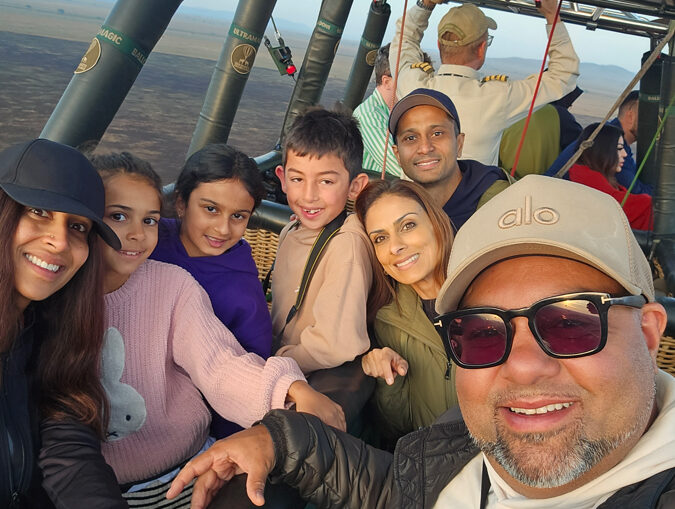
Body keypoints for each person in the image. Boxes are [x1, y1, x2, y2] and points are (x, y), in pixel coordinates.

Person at [167, 175, 674, 509]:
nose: (523, 366)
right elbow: (399, 484)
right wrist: (278, 438)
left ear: (650, 333)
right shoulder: (455, 436)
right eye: (483, 333)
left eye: (570, 324)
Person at [91, 151, 345, 507]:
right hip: (88, 475)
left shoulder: (181, 287)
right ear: (179, 205)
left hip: (181, 465)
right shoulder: (61, 293)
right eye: (118, 216)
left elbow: (223, 364)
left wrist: (289, 390)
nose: (136, 234)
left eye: (148, 220)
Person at [0, 139, 126, 508]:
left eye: (78, 227)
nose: (58, 242)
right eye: (39, 211)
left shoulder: (52, 335)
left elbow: (69, 456)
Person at [149, 144, 272, 438]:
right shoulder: (146, 239)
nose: (222, 229)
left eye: (238, 216)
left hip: (184, 427)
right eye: (211, 209)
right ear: (180, 203)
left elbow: (248, 375)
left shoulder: (244, 295)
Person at [390, 0, 579, 166]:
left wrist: (425, 4)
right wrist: (552, 15)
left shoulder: (413, 86)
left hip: (414, 202)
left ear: (439, 45)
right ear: (482, 49)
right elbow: (564, 74)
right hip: (473, 206)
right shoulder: (497, 96)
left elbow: (403, 44)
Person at [354, 179, 458, 443]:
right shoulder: (388, 321)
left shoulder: (490, 293)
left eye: (408, 225)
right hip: (439, 469)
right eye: (380, 238)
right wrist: (388, 379)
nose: (395, 246)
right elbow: (400, 429)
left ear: (436, 222)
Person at [271, 108, 372, 374]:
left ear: (354, 185)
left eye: (326, 181)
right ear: (282, 178)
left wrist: (274, 364)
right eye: (297, 179)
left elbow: (336, 344)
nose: (308, 195)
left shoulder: (346, 244)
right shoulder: (291, 230)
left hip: (306, 376)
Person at [389, 88, 510, 230]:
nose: (425, 148)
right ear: (397, 154)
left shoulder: (501, 203)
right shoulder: (397, 209)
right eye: (411, 138)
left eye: (437, 133)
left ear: (459, 144)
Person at [568, 122, 652, 230]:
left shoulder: (586, 174)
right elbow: (616, 204)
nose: (625, 154)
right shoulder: (586, 178)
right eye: (619, 148)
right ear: (602, 150)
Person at [499, 86, 583, 178]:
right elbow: (580, 148)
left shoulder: (513, 109)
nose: (569, 107)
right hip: (541, 183)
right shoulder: (560, 115)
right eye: (569, 103)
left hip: (504, 178)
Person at [353, 44, 405, 178]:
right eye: (407, 78)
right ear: (387, 82)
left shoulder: (399, 114)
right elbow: (399, 169)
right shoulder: (369, 115)